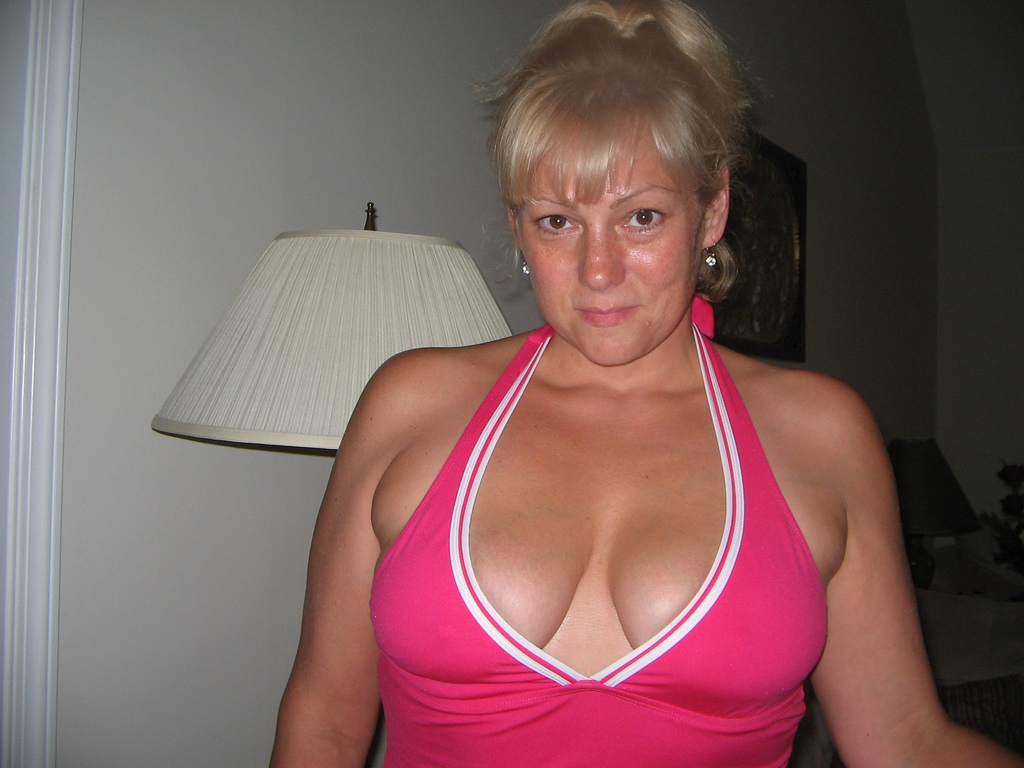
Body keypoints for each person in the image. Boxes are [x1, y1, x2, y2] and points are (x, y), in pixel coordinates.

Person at [270, 2, 1024, 766]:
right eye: (558, 221)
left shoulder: (822, 432)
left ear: (712, 210)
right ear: (518, 224)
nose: (598, 271)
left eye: (642, 218)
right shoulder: (411, 404)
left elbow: (905, 742)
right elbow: (324, 719)